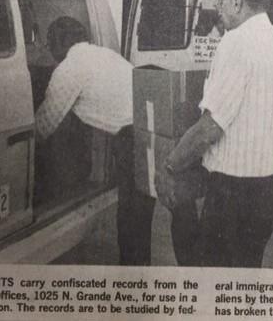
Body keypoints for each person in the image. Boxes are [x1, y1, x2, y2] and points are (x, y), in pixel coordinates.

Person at [159, 0, 273, 268]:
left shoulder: (236, 43)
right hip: (269, 192)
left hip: (234, 198)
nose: (217, 11)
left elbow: (211, 127)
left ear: (236, 2)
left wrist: (170, 166)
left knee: (209, 289)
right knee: (240, 287)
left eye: (219, 3)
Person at [36, 16, 198, 266]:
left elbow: (45, 123)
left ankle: (132, 278)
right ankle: (196, 272)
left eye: (48, 44)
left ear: (57, 43)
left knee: (132, 214)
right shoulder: (104, 54)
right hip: (158, 124)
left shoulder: (68, 68)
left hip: (133, 137)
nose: (48, 51)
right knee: (172, 206)